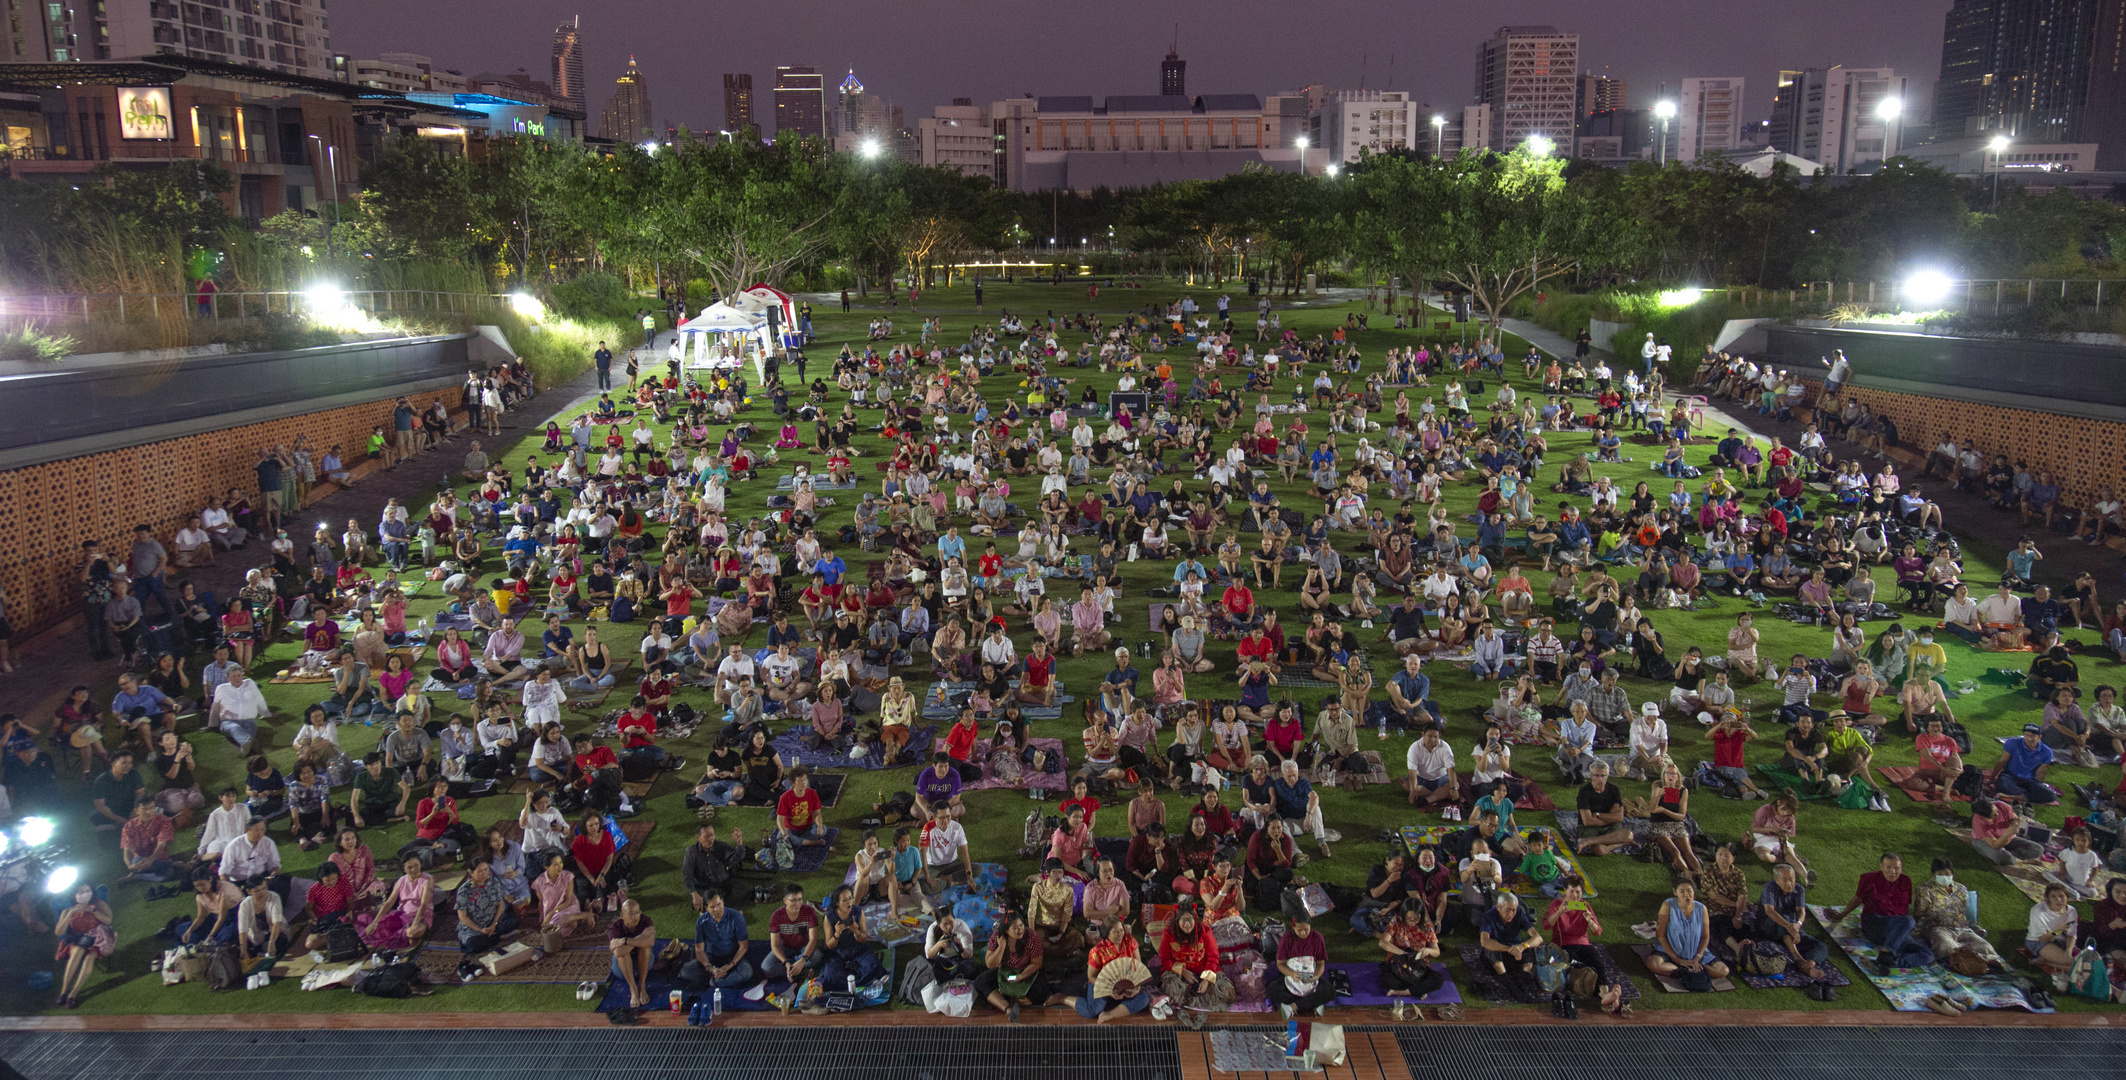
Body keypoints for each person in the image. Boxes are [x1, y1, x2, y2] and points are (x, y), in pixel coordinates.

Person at [1827, 852, 1934, 972]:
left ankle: (1891, 962)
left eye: (1897, 868)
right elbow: (1858, 898)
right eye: (1888, 867)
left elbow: (1904, 907)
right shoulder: (1869, 878)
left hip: (1896, 929)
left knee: (1927, 955)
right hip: (1875, 923)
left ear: (1901, 868)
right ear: (1881, 867)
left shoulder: (1906, 881)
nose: (1893, 872)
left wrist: (1904, 930)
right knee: (1909, 920)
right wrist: (1842, 914)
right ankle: (1886, 953)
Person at [1541, 877, 1627, 1014]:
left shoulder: (1585, 905)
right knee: (1579, 967)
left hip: (1583, 943)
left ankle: (1605, 995)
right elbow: (1546, 925)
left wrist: (1590, 921)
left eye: (1578, 892)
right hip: (1564, 944)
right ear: (1565, 891)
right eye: (1572, 891)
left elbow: (1597, 931)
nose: (1575, 896)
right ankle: (1605, 997)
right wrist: (1559, 913)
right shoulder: (1556, 904)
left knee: (1597, 963)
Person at [1644, 879, 1730, 988]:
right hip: (1671, 950)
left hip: (1695, 951)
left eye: (1689, 891)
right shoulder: (1668, 905)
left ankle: (1688, 969)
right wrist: (1676, 959)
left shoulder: (1701, 909)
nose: (1686, 895)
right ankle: (1686, 970)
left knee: (1723, 970)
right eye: (1682, 891)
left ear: (1694, 892)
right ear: (1675, 892)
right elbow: (1660, 935)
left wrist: (1697, 958)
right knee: (1653, 963)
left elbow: (1705, 936)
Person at [52, 881, 114, 1008]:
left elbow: (108, 920)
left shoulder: (98, 904)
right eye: (81, 892)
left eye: (87, 891)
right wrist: (70, 913)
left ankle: (73, 994)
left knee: (89, 957)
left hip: (98, 938)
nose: (85, 894)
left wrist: (93, 911)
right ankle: (64, 991)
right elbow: (59, 931)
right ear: (74, 895)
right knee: (77, 951)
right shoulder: (67, 911)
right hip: (77, 939)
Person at [678, 890, 755, 991]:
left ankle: (713, 982)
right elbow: (699, 950)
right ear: (706, 908)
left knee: (746, 972)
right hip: (711, 957)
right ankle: (725, 979)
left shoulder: (736, 917)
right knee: (685, 971)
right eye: (712, 907)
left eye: (719, 904)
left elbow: (743, 946)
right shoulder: (702, 922)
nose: (717, 909)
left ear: (723, 902)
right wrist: (710, 968)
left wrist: (730, 965)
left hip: (732, 957)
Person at [979, 911, 1049, 1023]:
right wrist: (1001, 946)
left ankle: (1006, 997)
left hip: (1025, 972)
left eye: (1021, 925)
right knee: (981, 982)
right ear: (1006, 930)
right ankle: (1007, 1008)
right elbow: (990, 964)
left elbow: (1036, 963)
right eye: (1015, 928)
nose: (1020, 930)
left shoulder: (1032, 936)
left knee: (1041, 993)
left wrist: (1021, 976)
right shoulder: (997, 937)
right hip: (1005, 972)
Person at [764, 883, 821, 986]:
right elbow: (775, 945)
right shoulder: (777, 916)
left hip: (804, 949)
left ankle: (796, 969)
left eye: (800, 899)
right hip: (785, 948)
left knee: (817, 955)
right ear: (785, 901)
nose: (797, 903)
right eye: (793, 900)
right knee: (766, 966)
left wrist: (803, 960)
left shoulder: (809, 912)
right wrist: (786, 963)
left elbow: (813, 940)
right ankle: (801, 971)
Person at [1989, 723, 2058, 804]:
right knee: (2002, 784)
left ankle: (2017, 796)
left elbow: (2041, 771)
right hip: (2009, 776)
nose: (2029, 738)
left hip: (2029, 780)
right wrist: (1992, 778)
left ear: (2039, 737)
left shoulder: (2046, 752)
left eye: (2032, 736)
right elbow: (2002, 761)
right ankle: (2025, 796)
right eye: (2026, 735)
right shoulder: (2012, 743)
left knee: (2051, 795)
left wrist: (2039, 786)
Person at [1572, 763, 1632, 855]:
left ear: (1607, 776)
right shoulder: (1584, 791)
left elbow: (1619, 817)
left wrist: (1598, 815)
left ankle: (1587, 841)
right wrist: (1610, 817)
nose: (1600, 779)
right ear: (1591, 776)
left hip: (1610, 827)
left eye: (1603, 776)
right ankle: (1620, 843)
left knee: (1629, 835)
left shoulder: (1614, 790)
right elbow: (1587, 821)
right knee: (1599, 850)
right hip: (1590, 828)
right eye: (1597, 775)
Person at [607, 898, 657, 1009]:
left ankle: (642, 986)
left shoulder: (646, 921)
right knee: (623, 954)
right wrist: (640, 940)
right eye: (630, 914)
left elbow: (651, 942)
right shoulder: (615, 928)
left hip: (644, 963)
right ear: (622, 915)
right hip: (622, 967)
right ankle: (633, 989)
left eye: (637, 912)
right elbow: (618, 952)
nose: (635, 916)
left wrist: (625, 941)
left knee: (646, 948)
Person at [2026, 884, 2080, 969]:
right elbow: (2042, 939)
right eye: (2053, 896)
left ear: (2067, 897)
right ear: (2048, 899)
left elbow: (2072, 935)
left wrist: (2068, 951)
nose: (2058, 900)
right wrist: (2056, 931)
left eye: (2061, 896)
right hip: (2037, 941)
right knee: (2075, 966)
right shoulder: (2038, 911)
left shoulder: (2071, 911)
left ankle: (2045, 961)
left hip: (2060, 940)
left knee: (2083, 964)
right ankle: (2046, 962)